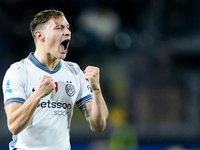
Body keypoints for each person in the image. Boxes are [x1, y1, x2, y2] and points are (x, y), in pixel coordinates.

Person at [2, 9, 108, 150]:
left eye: (67, 27)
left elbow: (98, 125)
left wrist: (96, 89)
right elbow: (14, 126)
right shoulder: (18, 71)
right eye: (59, 28)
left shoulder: (74, 71)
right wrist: (39, 94)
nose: (67, 32)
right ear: (40, 36)